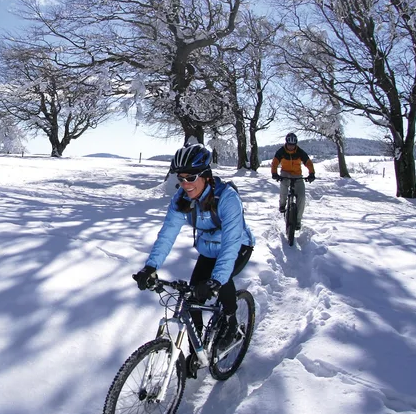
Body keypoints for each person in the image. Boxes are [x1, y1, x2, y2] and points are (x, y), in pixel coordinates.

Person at [133, 143, 255, 355]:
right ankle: (196, 351)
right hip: (208, 250)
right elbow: (167, 234)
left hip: (238, 246)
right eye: (180, 178)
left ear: (206, 175)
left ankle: (231, 321)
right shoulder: (181, 200)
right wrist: (150, 266)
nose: (185, 184)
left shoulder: (227, 199)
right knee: (191, 299)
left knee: (221, 280)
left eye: (191, 178)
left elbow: (231, 244)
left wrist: (215, 280)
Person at [270, 133, 316, 230]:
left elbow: (308, 163)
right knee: (283, 190)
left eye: (293, 145)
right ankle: (282, 205)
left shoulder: (300, 152)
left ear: (295, 144)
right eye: (289, 145)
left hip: (297, 175)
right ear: (286, 143)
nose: (291, 147)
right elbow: (274, 163)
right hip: (285, 174)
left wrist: (311, 174)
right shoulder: (281, 151)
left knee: (302, 197)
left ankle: (298, 221)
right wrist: (274, 173)